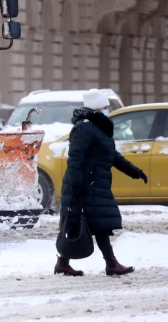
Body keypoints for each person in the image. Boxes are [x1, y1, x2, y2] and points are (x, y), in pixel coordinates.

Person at [54, 88, 149, 277]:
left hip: (95, 183)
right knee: (92, 224)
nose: (106, 110)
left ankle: (63, 263)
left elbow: (111, 155)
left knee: (92, 223)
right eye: (105, 107)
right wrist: (77, 183)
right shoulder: (84, 127)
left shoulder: (98, 128)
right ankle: (111, 264)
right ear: (97, 108)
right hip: (84, 183)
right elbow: (75, 157)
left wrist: (134, 171)